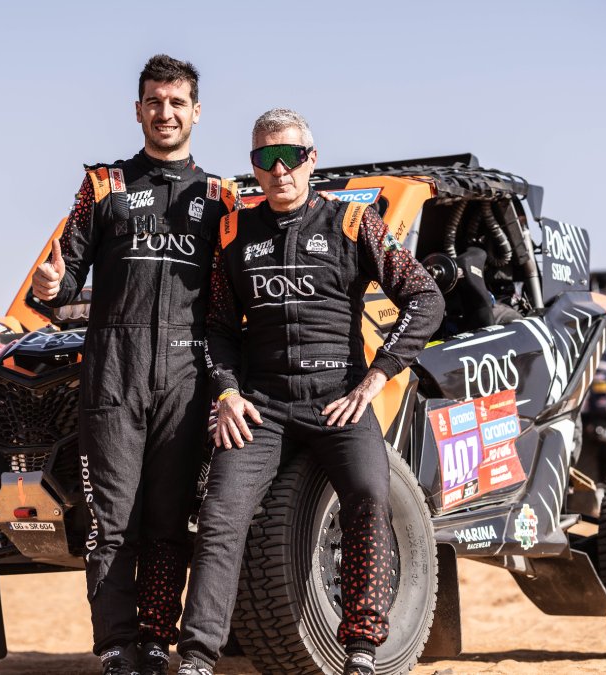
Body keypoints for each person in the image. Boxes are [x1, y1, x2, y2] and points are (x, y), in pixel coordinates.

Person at [176, 109, 444, 675]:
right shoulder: (233, 231)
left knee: (370, 495)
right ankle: (198, 658)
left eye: (289, 156)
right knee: (221, 515)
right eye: (264, 160)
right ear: (253, 167)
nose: (278, 170)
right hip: (262, 404)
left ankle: (363, 648)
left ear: (311, 159)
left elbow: (425, 298)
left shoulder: (352, 223)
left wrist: (378, 375)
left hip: (339, 397)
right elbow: (218, 330)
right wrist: (226, 392)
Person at [30, 54, 238, 675]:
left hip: (186, 378)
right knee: (111, 522)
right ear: (138, 108)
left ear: (196, 112)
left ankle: (155, 638)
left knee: (170, 522)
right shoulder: (104, 185)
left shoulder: (221, 195)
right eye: (154, 101)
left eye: (177, 103)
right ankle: (118, 647)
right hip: (112, 375)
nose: (165, 112)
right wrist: (50, 284)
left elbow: (231, 297)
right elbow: (64, 277)